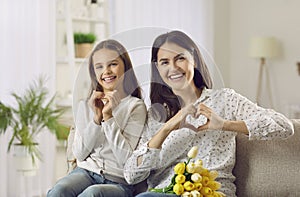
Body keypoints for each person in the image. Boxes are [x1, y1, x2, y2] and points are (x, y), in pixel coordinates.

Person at [124, 30, 294, 197]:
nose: (173, 68)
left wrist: (225, 125)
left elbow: (283, 126)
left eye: (180, 58)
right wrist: (166, 128)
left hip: (210, 192)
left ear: (194, 60)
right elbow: (131, 174)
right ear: (157, 69)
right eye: (164, 62)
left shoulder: (225, 100)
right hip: (163, 193)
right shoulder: (156, 115)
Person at [47, 39, 147, 197]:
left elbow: (126, 160)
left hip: (118, 181)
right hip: (85, 173)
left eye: (113, 64)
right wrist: (96, 118)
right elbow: (79, 154)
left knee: (93, 194)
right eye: (99, 66)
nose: (106, 71)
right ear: (94, 72)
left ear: (125, 67)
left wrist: (108, 118)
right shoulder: (86, 105)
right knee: (59, 190)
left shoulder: (135, 107)